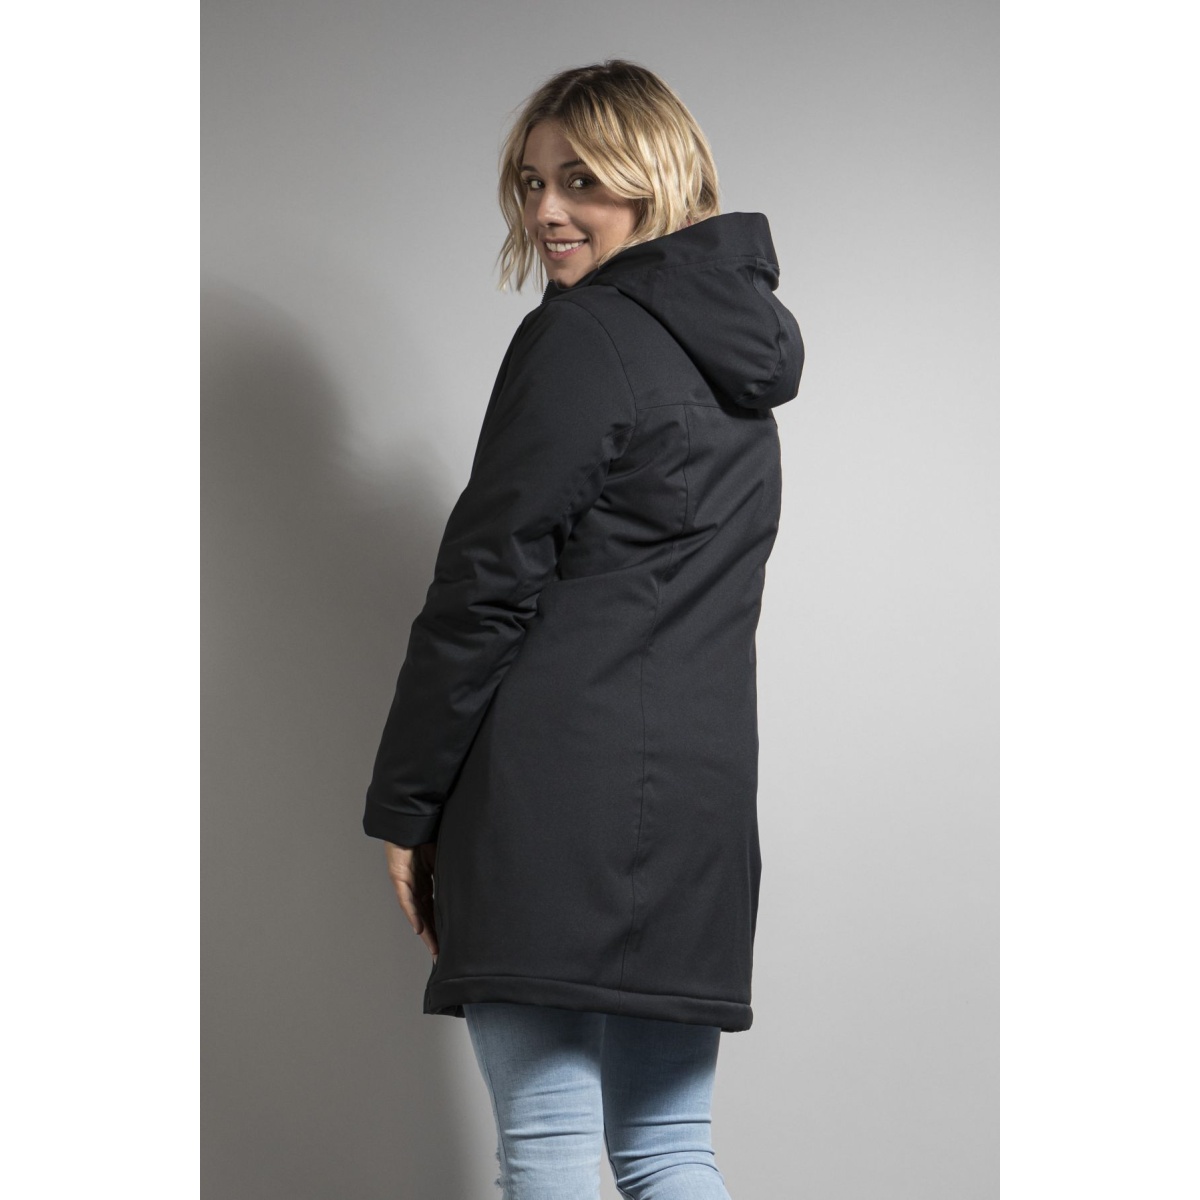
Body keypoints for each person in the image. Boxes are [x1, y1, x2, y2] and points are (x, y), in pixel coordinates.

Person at [362, 58, 804, 1199]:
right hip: (699, 805)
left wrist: (407, 807)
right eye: (530, 182)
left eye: (582, 180)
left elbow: (484, 585)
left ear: (656, 182)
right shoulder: (741, 363)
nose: (547, 211)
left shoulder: (582, 337)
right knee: (670, 1151)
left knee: (551, 1150)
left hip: (553, 801)